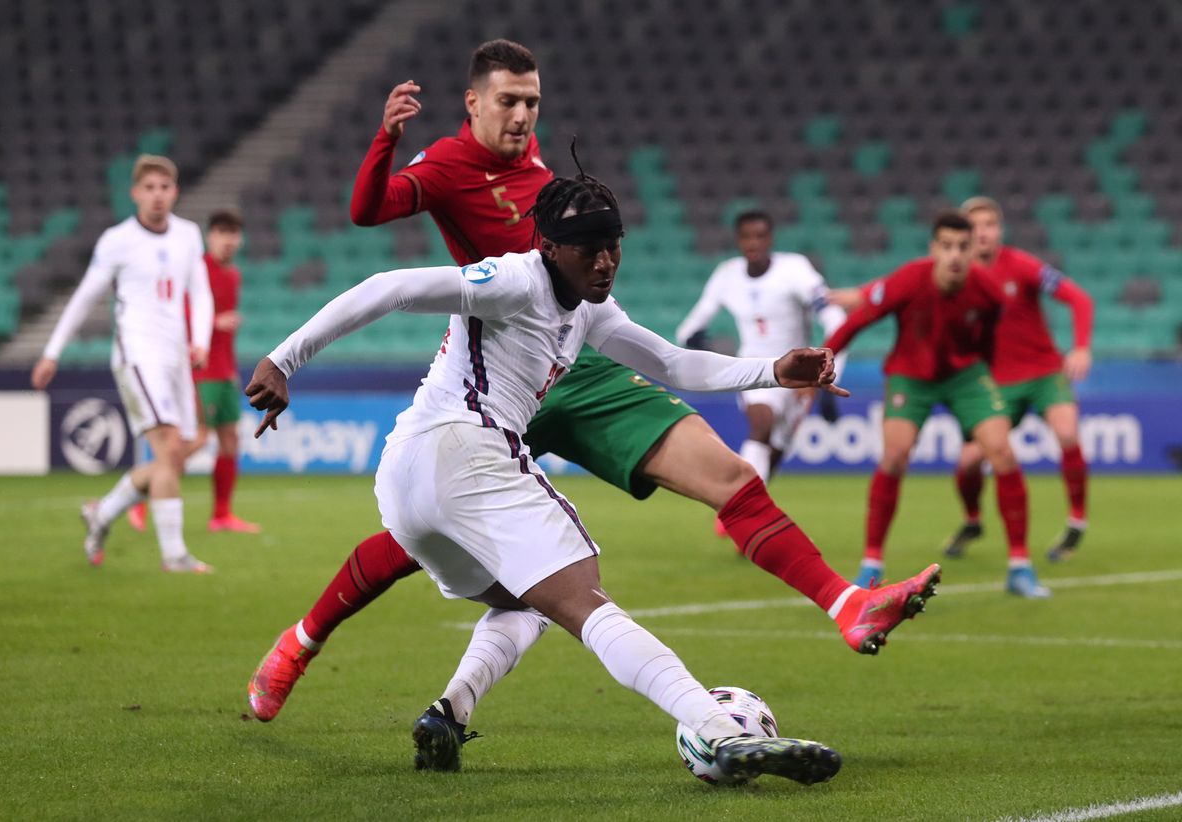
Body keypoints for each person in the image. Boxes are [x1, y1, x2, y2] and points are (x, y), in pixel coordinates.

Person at [247, 39, 940, 723]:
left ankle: (847, 604)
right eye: (510, 102)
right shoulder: (451, 163)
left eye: (533, 102)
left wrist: (772, 371)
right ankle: (300, 643)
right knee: (415, 538)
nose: (523, 117)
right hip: (503, 381)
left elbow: (667, 358)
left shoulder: (548, 175)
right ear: (474, 103)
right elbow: (372, 221)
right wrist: (382, 145)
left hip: (583, 359)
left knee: (729, 477)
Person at [246, 170, 866, 781]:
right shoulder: (514, 280)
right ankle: (719, 730)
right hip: (466, 448)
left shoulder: (591, 312)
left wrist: (774, 370)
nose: (604, 262)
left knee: (525, 602)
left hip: (411, 478)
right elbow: (391, 286)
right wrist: (284, 359)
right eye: (589, 249)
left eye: (612, 246)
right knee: (585, 601)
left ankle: (449, 711)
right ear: (548, 247)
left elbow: (673, 363)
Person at [825, 211, 1049, 598]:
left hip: (966, 376)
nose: (956, 256)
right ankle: (871, 564)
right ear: (934, 249)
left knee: (1003, 454)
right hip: (910, 375)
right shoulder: (909, 279)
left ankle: (1020, 566)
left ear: (972, 250)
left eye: (963, 247)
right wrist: (822, 364)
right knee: (894, 457)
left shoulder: (989, 290)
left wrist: (985, 379)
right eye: (947, 246)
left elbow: (989, 338)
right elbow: (857, 321)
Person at [31, 154, 215, 573]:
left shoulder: (188, 235)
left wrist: (200, 340)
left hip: (176, 357)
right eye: (149, 188)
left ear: (175, 192)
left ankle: (102, 512)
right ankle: (175, 556)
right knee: (168, 448)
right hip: (138, 355)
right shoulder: (118, 240)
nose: (157, 196)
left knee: (179, 456)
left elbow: (200, 293)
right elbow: (84, 297)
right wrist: (52, 351)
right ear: (135, 193)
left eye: (164, 187)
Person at [942, 198, 1092, 562]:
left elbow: (1079, 299)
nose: (982, 233)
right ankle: (973, 519)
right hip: (995, 383)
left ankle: (1076, 521)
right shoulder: (954, 277)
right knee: (969, 462)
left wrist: (1081, 347)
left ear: (1000, 230)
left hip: (1043, 372)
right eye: (974, 226)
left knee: (1067, 433)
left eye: (989, 224)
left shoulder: (1022, 265)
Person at [675, 210, 847, 483]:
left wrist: (830, 377)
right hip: (754, 365)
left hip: (799, 373)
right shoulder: (727, 275)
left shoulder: (795, 269)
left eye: (760, 236)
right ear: (738, 240)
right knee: (762, 425)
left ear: (770, 239)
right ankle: (735, 500)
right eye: (746, 237)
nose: (753, 243)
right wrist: (698, 343)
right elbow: (690, 328)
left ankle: (750, 506)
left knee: (777, 449)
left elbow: (835, 320)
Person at [126, 209, 261, 534]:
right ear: (210, 236)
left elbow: (225, 330)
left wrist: (230, 368)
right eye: (221, 232)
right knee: (196, 439)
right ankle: (140, 502)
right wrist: (214, 323)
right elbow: (177, 312)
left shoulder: (233, 275)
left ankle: (221, 515)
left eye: (233, 234)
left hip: (223, 372)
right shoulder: (195, 269)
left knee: (230, 442)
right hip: (197, 370)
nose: (228, 240)